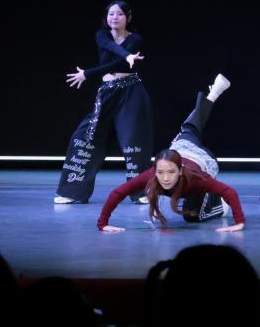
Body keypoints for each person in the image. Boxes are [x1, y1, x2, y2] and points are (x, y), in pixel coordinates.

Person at [97, 75, 244, 232]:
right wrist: (102, 224)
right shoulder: (151, 175)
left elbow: (229, 192)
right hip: (181, 148)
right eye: (160, 172)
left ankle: (219, 205)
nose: (165, 178)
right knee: (189, 128)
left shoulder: (195, 179)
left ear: (179, 171)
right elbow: (118, 192)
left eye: (171, 172)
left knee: (193, 216)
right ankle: (213, 94)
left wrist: (239, 222)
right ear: (155, 171)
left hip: (202, 159)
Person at [56, 0, 153, 204]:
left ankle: (141, 192)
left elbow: (117, 64)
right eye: (111, 14)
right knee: (84, 136)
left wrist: (88, 73)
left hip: (131, 92)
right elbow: (111, 50)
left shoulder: (135, 39)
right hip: (107, 92)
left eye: (119, 14)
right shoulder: (102, 35)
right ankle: (71, 191)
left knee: (133, 140)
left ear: (128, 17)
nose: (114, 17)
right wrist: (127, 55)